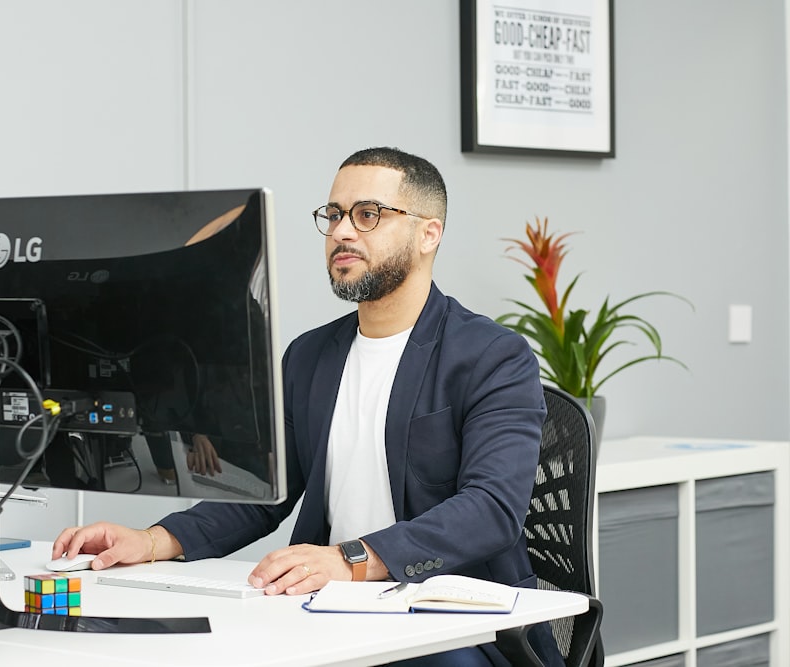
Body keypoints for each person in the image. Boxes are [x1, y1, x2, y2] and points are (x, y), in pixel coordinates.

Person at [52, 147, 563, 666]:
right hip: (329, 612)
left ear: (428, 234)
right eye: (334, 215)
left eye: (367, 215)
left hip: (453, 624)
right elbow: (264, 494)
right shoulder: (310, 355)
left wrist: (352, 560)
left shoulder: (491, 356)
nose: (342, 232)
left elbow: (491, 510)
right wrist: (152, 540)